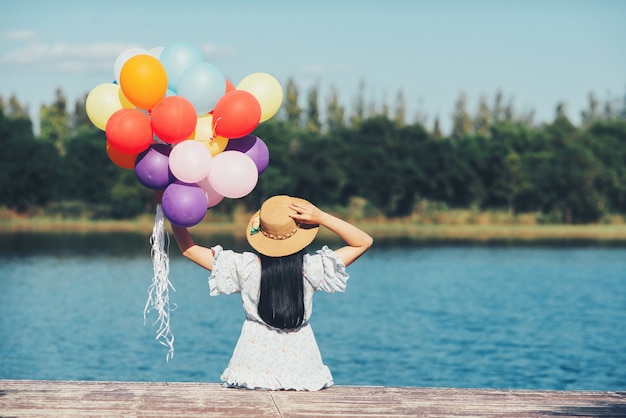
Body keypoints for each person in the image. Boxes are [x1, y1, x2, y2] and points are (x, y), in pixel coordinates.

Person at [169, 194, 373, 391]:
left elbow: (189, 249)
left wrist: (173, 209)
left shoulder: (244, 267)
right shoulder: (311, 268)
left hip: (252, 369)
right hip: (302, 370)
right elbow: (363, 241)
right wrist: (322, 217)